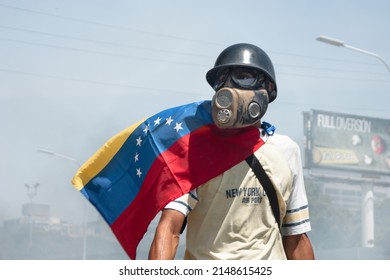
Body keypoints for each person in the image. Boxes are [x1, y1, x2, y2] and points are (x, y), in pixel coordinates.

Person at [148, 43, 315, 260]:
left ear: (268, 89)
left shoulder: (286, 151)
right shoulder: (195, 151)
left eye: (242, 77)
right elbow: (169, 229)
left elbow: (295, 237)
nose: (229, 87)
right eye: (221, 80)